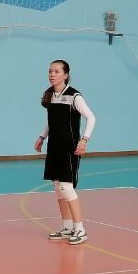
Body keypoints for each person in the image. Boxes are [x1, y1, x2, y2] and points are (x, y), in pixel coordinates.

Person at [35, 60, 96, 245]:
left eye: (56, 71)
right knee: (58, 190)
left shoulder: (74, 96)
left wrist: (84, 140)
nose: (52, 74)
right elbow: (50, 120)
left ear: (66, 75)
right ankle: (68, 227)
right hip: (54, 148)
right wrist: (42, 137)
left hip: (69, 148)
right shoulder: (51, 95)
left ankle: (80, 230)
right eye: (50, 71)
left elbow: (91, 118)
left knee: (66, 188)